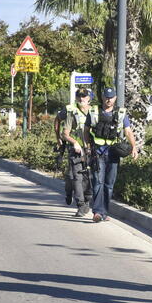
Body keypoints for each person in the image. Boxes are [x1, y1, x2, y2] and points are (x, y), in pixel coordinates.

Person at [86, 87, 138, 223]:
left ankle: (104, 212)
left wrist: (134, 147)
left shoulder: (121, 113)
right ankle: (97, 212)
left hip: (113, 154)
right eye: (107, 97)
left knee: (109, 185)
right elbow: (86, 130)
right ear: (102, 97)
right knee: (97, 183)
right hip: (97, 153)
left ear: (115, 98)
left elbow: (128, 131)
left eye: (111, 97)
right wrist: (87, 146)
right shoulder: (94, 111)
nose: (109, 100)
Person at [61, 88, 93, 217]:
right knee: (76, 178)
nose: (81, 99)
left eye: (84, 96)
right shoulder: (72, 113)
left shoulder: (95, 112)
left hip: (92, 150)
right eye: (79, 96)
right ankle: (80, 205)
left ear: (89, 98)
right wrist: (74, 142)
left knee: (89, 177)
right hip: (76, 151)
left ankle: (87, 200)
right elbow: (65, 133)